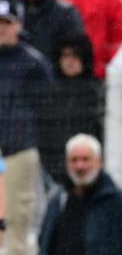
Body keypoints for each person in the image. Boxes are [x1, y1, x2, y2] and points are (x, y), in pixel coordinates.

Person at [0, 0, 51, 255]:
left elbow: (49, 108)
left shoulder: (33, 62)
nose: (2, 29)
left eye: (6, 23)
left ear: (18, 26)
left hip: (19, 150)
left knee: (18, 220)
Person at [38, 34, 105, 184]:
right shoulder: (50, 91)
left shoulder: (97, 91)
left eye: (75, 55)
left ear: (84, 58)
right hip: (54, 164)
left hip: (88, 165)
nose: (69, 61)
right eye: (65, 55)